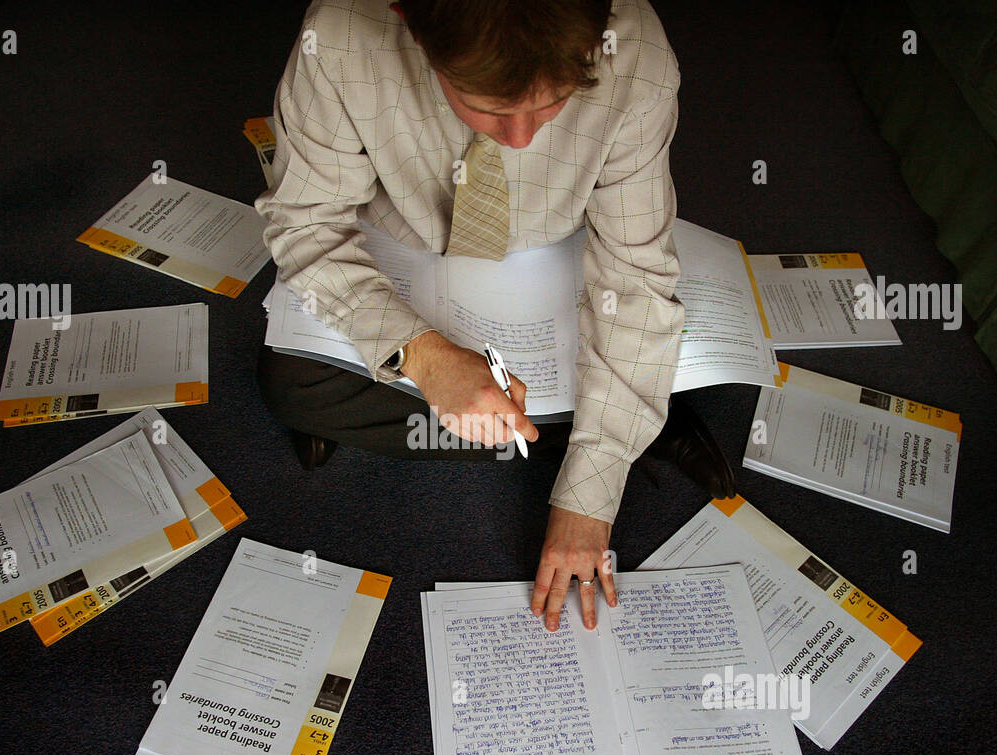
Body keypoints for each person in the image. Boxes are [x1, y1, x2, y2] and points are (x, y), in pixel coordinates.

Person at [255, 0, 736, 633]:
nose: (521, 137)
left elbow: (636, 277)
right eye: (487, 106)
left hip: (559, 255)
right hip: (398, 250)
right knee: (292, 383)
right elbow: (308, 226)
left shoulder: (635, 52)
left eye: (551, 103)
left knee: (672, 329)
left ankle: (597, 428)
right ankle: (618, 426)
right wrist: (422, 355)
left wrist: (588, 501)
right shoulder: (341, 36)